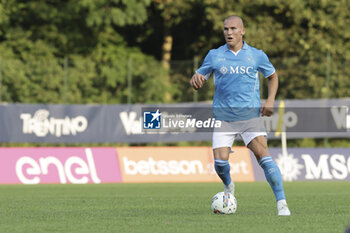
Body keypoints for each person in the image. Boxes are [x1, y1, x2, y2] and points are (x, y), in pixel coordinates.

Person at [190, 15, 291, 216]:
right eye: (226, 29)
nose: (229, 33)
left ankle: (282, 203)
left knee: (264, 156)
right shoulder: (214, 55)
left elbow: (273, 76)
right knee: (220, 163)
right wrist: (196, 77)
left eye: (233, 29)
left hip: (250, 116)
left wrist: (270, 101)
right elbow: (201, 75)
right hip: (223, 117)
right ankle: (228, 186)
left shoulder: (256, 55)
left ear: (242, 31)